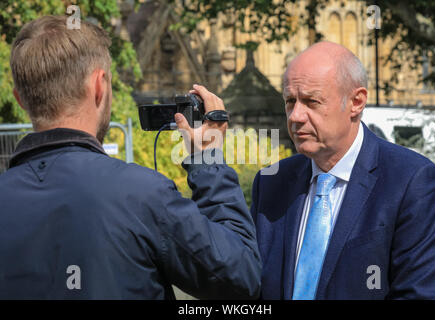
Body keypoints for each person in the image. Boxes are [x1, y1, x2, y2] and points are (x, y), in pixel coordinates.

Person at [0, 15, 261, 299]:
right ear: (99, 86)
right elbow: (240, 276)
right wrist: (208, 158)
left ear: (19, 98)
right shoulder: (140, 195)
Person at [251, 41, 435, 300]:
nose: (295, 116)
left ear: (356, 102)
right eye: (290, 101)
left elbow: (419, 294)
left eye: (311, 102)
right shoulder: (272, 183)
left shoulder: (412, 182)